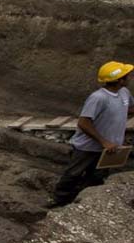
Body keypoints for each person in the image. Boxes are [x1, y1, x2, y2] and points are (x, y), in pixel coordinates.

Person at [48, 60, 133, 207]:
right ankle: (58, 201)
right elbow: (83, 122)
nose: (130, 77)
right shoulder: (99, 98)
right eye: (127, 75)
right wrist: (104, 141)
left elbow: (127, 109)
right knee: (73, 174)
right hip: (88, 148)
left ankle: (83, 204)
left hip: (109, 149)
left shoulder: (124, 93)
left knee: (97, 177)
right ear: (119, 80)